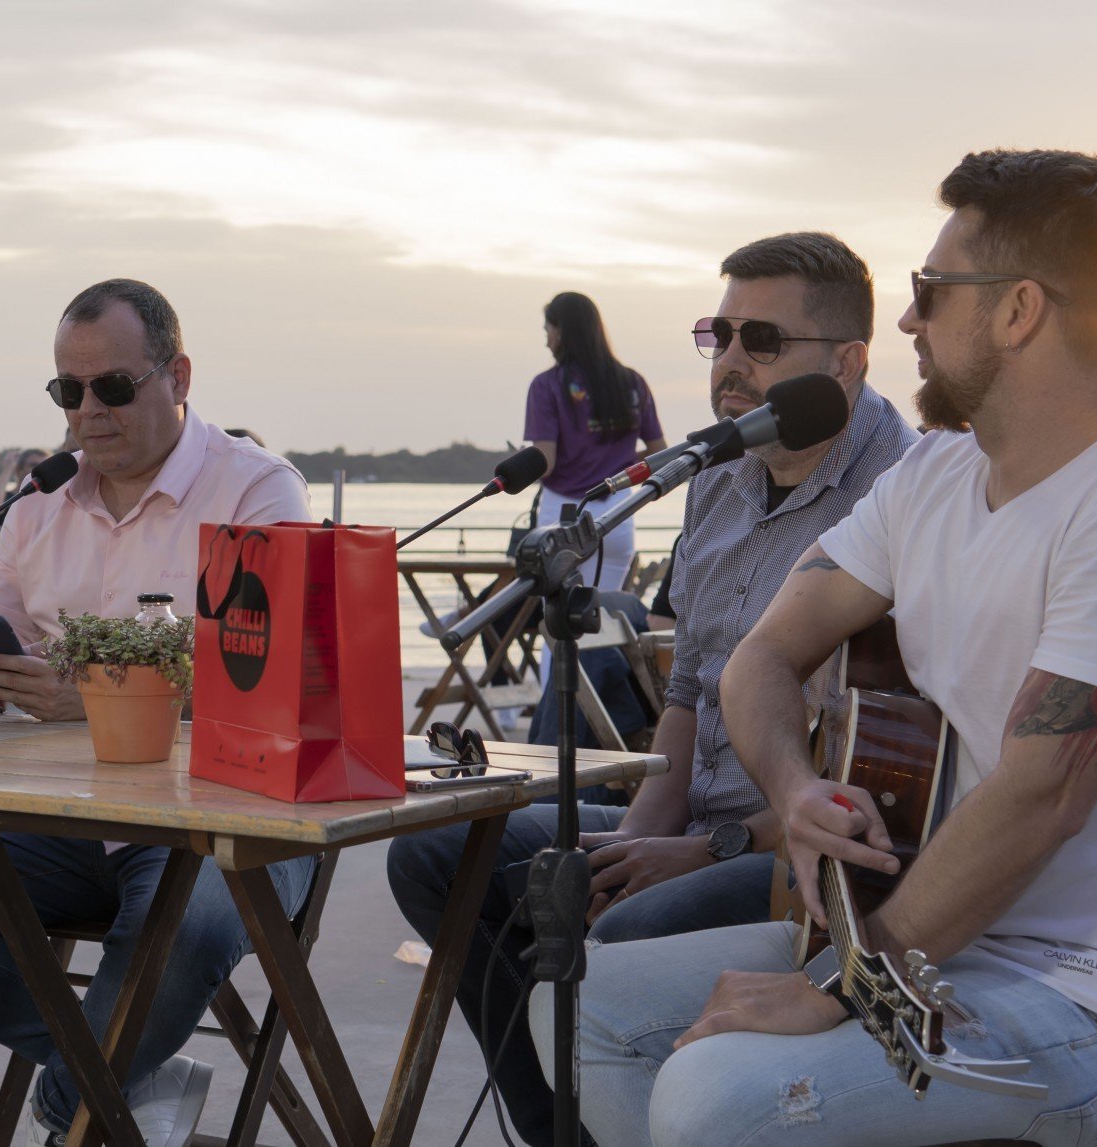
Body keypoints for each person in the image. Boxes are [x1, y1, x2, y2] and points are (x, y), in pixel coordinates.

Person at [550, 149, 1097, 1147]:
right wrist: (798, 788)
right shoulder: (929, 479)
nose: (906, 322)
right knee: (587, 1001)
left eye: (931, 291)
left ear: (1019, 310)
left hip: (1090, 1002)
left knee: (715, 1095)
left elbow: (1042, 795)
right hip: (916, 939)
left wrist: (843, 988)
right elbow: (758, 659)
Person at [388, 232, 916, 1144]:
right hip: (692, 819)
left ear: (847, 362)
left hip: (796, 856)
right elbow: (689, 693)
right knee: (437, 855)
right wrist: (637, 835)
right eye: (719, 334)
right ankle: (565, 1129)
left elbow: (885, 778)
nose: (732, 363)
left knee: (624, 939)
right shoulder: (717, 482)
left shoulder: (905, 495)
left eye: (762, 340)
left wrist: (701, 849)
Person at [0, 279, 313, 1147]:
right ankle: (129, 1072)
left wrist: (99, 698)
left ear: (178, 376)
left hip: (229, 814)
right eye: (69, 391)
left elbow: (277, 681)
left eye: (112, 387)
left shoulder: (259, 491)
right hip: (65, 816)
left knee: (186, 923)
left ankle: (74, 1099)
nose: (87, 412)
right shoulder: (37, 506)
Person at [527, 292, 668, 590]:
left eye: (547, 330)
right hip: (617, 517)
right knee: (601, 624)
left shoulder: (547, 385)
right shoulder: (632, 382)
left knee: (559, 626)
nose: (546, 340)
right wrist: (621, 463)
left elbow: (546, 463)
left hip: (562, 518)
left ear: (561, 330)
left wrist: (517, 465)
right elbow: (660, 454)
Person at [0, 446, 52, 510]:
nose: (40, 470)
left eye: (44, 466)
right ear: (19, 470)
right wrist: (8, 469)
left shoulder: (51, 500)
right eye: (34, 465)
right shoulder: (6, 498)